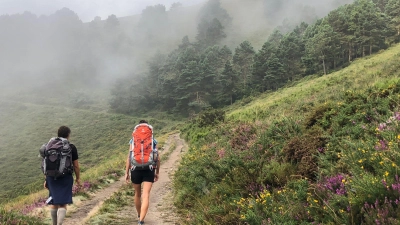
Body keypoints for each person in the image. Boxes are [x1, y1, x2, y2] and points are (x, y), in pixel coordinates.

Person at [125, 120, 160, 225]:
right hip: (149, 169)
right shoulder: (153, 141)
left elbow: (129, 157)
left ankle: (139, 215)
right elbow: (157, 158)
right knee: (146, 195)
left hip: (135, 168)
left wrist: (126, 172)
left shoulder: (133, 141)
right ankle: (141, 221)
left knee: (137, 194)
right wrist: (157, 171)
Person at [44, 126, 81, 225]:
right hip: (65, 177)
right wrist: (78, 178)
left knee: (53, 201)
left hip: (51, 177)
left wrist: (46, 180)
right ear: (68, 135)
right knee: (62, 203)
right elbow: (76, 165)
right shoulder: (71, 147)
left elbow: (47, 164)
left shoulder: (49, 146)